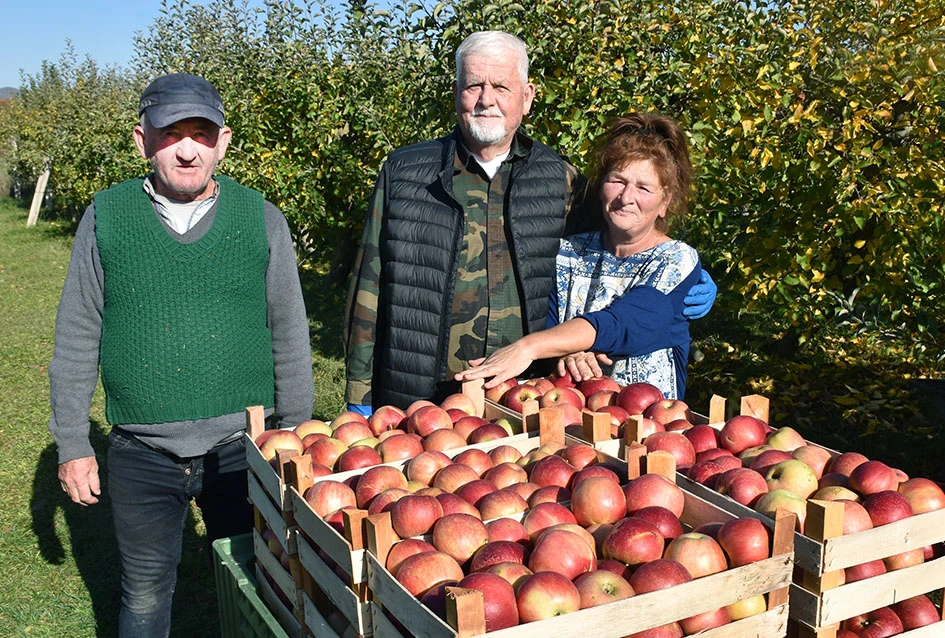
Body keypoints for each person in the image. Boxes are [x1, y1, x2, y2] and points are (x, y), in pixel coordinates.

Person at [48, 73, 314, 637]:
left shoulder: (259, 217)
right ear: (142, 141)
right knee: (144, 595)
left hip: (241, 447)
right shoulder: (107, 216)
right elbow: (77, 334)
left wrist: (295, 432)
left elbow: (289, 330)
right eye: (171, 134)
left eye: (202, 134)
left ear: (223, 142)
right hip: (141, 451)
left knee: (259, 584)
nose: (188, 150)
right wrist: (73, 443)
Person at [344, 31, 716, 414]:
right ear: (456, 92)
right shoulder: (406, 173)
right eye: (473, 86)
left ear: (527, 97)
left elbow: (624, 235)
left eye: (501, 87)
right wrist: (360, 395)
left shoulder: (561, 180)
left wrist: (685, 279)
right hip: (415, 396)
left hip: (521, 402)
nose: (486, 99)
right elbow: (368, 286)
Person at [456, 113, 700, 399]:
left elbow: (624, 323)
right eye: (617, 181)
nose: (626, 197)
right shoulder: (569, 252)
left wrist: (529, 348)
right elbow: (546, 319)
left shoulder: (675, 261)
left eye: (643, 188)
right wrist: (565, 351)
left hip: (650, 420)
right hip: (568, 417)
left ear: (665, 201)